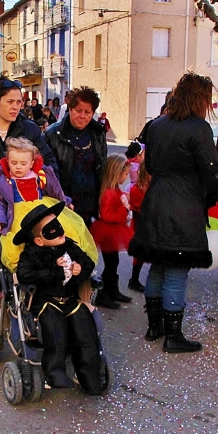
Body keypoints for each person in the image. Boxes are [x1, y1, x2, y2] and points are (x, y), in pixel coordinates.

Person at [128, 72, 218, 352]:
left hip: (156, 201)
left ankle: (154, 328)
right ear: (200, 98)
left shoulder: (157, 124)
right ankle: (173, 337)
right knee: (176, 270)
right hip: (182, 206)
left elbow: (144, 158)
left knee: (158, 265)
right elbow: (214, 175)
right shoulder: (197, 128)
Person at [0, 75, 57, 306]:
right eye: (11, 102)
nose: (17, 107)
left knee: (20, 252)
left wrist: (42, 178)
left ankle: (16, 297)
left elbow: (48, 159)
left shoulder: (29, 128)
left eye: (19, 102)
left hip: (23, 201)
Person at [14, 201, 104, 395]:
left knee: (85, 327)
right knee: (55, 331)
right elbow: (24, 274)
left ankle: (90, 375)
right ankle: (55, 373)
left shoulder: (70, 247)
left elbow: (87, 262)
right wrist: (54, 270)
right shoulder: (32, 254)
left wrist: (80, 269)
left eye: (59, 227)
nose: (59, 232)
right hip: (46, 301)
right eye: (51, 230)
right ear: (39, 240)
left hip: (70, 299)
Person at [44, 86, 117, 308]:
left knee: (102, 248)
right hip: (66, 202)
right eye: (78, 111)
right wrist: (61, 199)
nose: (82, 116)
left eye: (87, 112)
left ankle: (105, 290)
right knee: (73, 249)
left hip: (92, 199)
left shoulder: (97, 132)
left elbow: (101, 165)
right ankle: (73, 298)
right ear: (70, 109)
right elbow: (50, 172)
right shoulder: (53, 134)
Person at [0, 136, 98, 271]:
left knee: (64, 230)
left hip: (41, 208)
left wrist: (65, 201)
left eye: (23, 163)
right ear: (7, 161)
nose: (18, 167)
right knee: (21, 243)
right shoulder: (4, 180)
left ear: (31, 163)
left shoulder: (38, 176)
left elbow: (54, 191)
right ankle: (30, 267)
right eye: (14, 163)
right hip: (18, 213)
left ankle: (69, 258)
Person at [89, 154, 134, 306]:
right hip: (108, 231)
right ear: (116, 173)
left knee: (113, 262)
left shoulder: (114, 189)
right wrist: (124, 210)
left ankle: (112, 291)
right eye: (126, 174)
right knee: (110, 264)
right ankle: (103, 295)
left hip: (112, 230)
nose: (127, 177)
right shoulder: (109, 192)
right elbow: (107, 215)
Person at [128, 159, 150, 294]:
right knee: (140, 254)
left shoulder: (153, 187)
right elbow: (136, 210)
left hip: (150, 225)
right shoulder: (136, 189)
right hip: (140, 225)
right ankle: (134, 279)